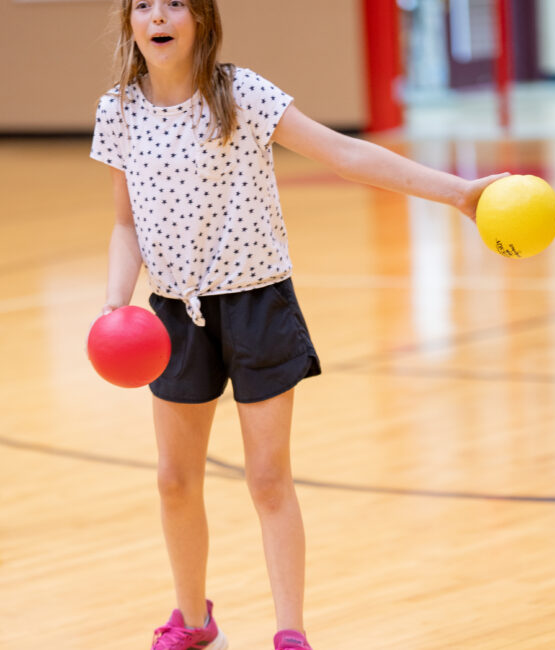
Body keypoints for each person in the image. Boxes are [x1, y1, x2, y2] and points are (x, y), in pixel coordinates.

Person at [89, 0, 508, 648]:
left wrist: (457, 193)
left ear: (199, 18)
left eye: (174, 3)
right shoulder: (117, 111)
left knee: (267, 477)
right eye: (144, 4)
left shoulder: (240, 95)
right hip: (174, 312)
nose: (158, 15)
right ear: (131, 23)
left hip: (257, 302)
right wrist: (117, 303)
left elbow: (343, 154)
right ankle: (195, 623)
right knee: (174, 480)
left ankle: (291, 633)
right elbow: (125, 222)